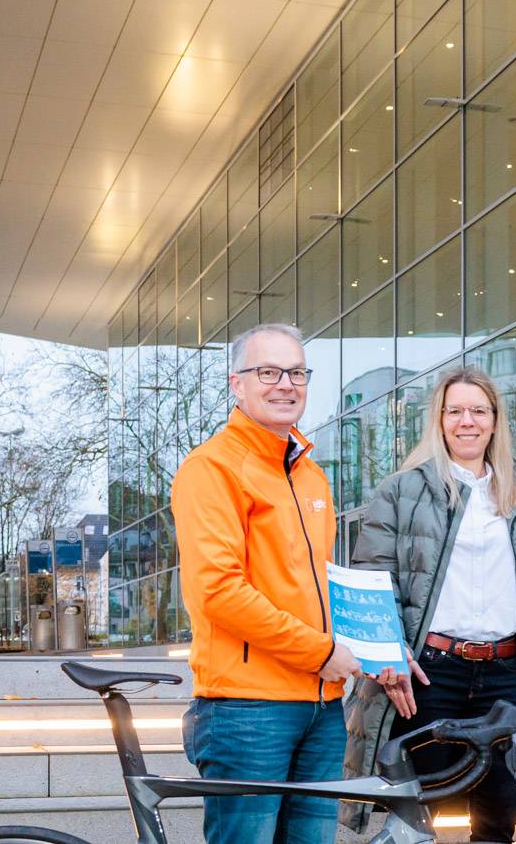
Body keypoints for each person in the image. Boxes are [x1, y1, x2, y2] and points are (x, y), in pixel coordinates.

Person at [340, 367, 516, 842]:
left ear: (495, 420)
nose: (468, 421)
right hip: (429, 674)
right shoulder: (402, 490)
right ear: (440, 421)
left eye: (478, 410)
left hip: (504, 676)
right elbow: (370, 583)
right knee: (417, 819)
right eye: (456, 411)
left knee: (497, 817)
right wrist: (387, 655)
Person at [171, 322, 361, 844]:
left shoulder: (310, 474)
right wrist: (320, 653)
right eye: (268, 371)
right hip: (247, 709)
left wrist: (376, 646)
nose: (285, 384)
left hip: (322, 706)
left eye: (296, 372)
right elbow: (219, 591)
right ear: (237, 383)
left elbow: (319, 589)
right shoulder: (212, 468)